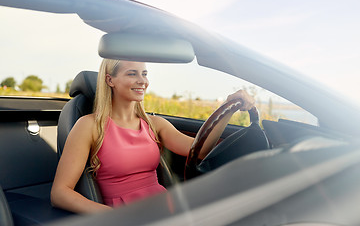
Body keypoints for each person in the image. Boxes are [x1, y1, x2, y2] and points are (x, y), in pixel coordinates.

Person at [51, 59, 254, 214]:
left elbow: (199, 150)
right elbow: (60, 193)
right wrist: (112, 217)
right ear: (109, 79)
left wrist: (227, 110)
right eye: (132, 74)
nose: (142, 81)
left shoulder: (154, 124)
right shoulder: (89, 126)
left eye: (144, 74)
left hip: (165, 209)